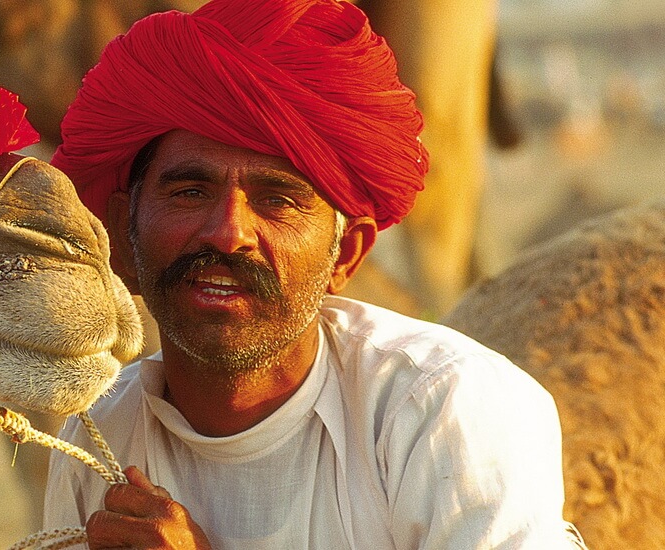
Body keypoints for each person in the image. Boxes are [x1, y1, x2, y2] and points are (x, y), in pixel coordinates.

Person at [41, 0, 586, 548]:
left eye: (277, 200)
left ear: (346, 254)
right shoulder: (98, 442)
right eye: (189, 192)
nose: (229, 233)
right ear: (121, 238)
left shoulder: (444, 411)